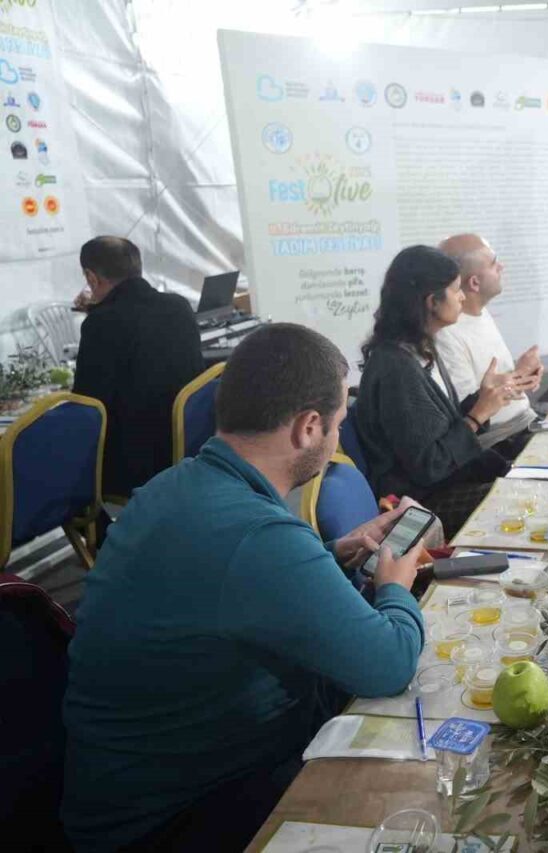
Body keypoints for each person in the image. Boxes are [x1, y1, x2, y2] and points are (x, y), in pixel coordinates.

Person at [61, 324, 427, 853]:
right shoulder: (258, 536)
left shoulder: (174, 486)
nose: (337, 441)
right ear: (308, 427)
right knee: (415, 797)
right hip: (179, 820)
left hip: (129, 795)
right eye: (338, 426)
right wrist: (395, 586)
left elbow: (229, 589)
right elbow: (390, 664)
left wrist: (327, 556)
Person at [356, 245, 521, 535]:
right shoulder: (396, 369)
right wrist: (476, 416)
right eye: (456, 290)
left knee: (531, 483)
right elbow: (430, 466)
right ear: (432, 302)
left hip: (447, 484)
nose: (462, 297)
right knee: (521, 499)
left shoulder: (420, 348)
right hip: (421, 503)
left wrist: (481, 399)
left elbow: (439, 427)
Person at [70, 236, 206, 497]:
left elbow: (87, 404)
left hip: (138, 462)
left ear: (91, 278)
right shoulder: (178, 306)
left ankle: (93, 522)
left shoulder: (101, 324)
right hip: (189, 444)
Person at [435, 233, 543, 455]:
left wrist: (522, 375)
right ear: (474, 283)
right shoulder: (446, 335)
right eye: (494, 264)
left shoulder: (480, 312)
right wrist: (517, 376)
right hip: (500, 440)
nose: (501, 267)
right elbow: (472, 410)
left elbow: (492, 384)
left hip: (524, 423)